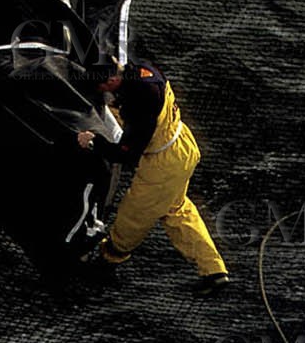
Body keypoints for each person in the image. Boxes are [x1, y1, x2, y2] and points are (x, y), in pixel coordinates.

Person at [77, 57, 229, 291]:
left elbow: (127, 154)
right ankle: (214, 271)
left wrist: (93, 143)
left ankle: (107, 260)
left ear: (112, 79)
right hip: (182, 146)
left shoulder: (141, 104)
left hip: (162, 165)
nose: (100, 91)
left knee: (132, 217)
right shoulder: (143, 70)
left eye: (101, 86)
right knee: (176, 209)